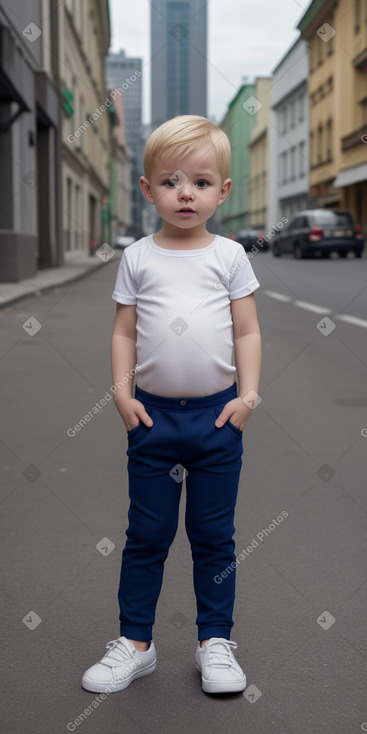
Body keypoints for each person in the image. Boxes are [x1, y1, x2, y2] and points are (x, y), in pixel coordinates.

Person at [82, 115, 261, 695]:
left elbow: (247, 332)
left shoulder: (230, 255)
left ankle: (215, 641)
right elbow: (123, 333)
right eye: (171, 181)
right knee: (147, 534)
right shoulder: (137, 257)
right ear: (147, 188)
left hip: (216, 419)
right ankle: (136, 642)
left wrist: (247, 397)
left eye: (202, 182)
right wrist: (121, 393)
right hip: (153, 421)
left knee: (215, 537)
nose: (186, 193)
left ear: (223, 192)